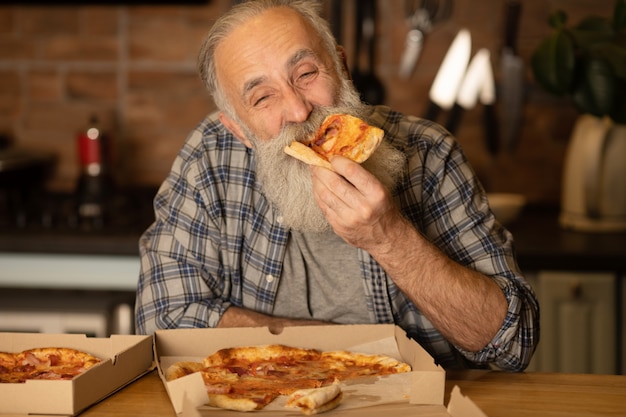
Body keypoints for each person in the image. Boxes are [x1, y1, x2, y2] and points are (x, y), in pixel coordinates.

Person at [135, 0, 539, 371]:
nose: (298, 110)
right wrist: (344, 354)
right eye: (262, 98)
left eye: (306, 74)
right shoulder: (210, 156)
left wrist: (388, 238)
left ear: (342, 70)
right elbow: (159, 319)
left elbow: (512, 345)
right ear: (238, 129)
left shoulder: (428, 153)